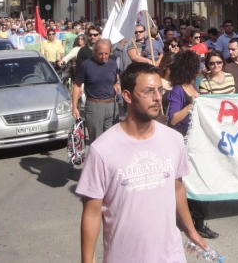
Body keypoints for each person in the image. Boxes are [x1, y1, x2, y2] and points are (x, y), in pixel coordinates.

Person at [76, 62, 207, 263]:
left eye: (159, 90)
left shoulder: (173, 140)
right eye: (148, 91)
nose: (157, 97)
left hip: (170, 256)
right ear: (127, 96)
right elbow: (92, 213)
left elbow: (177, 188)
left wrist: (191, 231)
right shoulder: (102, 149)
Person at [167, 51, 219, 239]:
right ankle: (195, 222)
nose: (200, 69)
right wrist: (191, 105)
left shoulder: (195, 86)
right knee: (190, 181)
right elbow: (172, 118)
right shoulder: (177, 91)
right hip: (183, 141)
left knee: (199, 179)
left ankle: (196, 220)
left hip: (197, 140)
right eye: (196, 66)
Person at [72, 39, 119, 144]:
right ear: (95, 52)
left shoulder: (112, 64)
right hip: (94, 106)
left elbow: (114, 81)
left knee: (113, 139)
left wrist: (117, 86)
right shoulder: (86, 65)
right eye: (100, 54)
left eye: (106, 53)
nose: (104, 56)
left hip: (112, 105)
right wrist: (74, 107)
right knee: (98, 141)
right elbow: (77, 86)